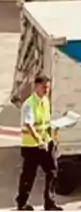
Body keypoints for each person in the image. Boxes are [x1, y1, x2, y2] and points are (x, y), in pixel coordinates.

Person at [16, 74, 60, 211]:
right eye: (44, 87)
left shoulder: (45, 101)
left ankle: (50, 203)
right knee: (29, 175)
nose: (46, 89)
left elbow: (45, 124)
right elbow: (29, 125)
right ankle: (22, 204)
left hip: (45, 143)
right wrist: (40, 141)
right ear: (36, 87)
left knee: (52, 171)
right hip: (32, 146)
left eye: (48, 87)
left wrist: (51, 137)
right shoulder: (29, 104)